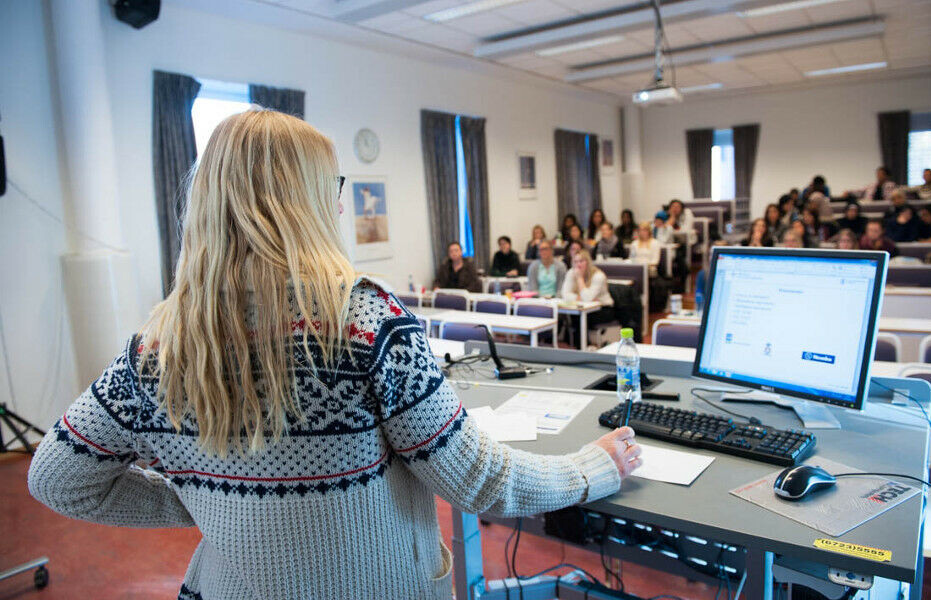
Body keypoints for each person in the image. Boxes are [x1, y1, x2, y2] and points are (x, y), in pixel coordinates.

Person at [25, 109, 643, 600]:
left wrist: (213, 506)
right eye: (334, 187)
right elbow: (481, 482)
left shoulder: (156, 347)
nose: (342, 204)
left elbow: (57, 479)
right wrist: (594, 467)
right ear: (311, 202)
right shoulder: (363, 323)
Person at [562, 250, 616, 341]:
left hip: (604, 309)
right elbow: (565, 295)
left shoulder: (598, 275)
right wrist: (580, 298)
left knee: (580, 318)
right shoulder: (571, 272)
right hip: (583, 308)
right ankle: (582, 347)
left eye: (581, 261)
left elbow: (587, 298)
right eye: (575, 262)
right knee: (574, 316)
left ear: (588, 262)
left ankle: (584, 346)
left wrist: (580, 278)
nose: (578, 265)